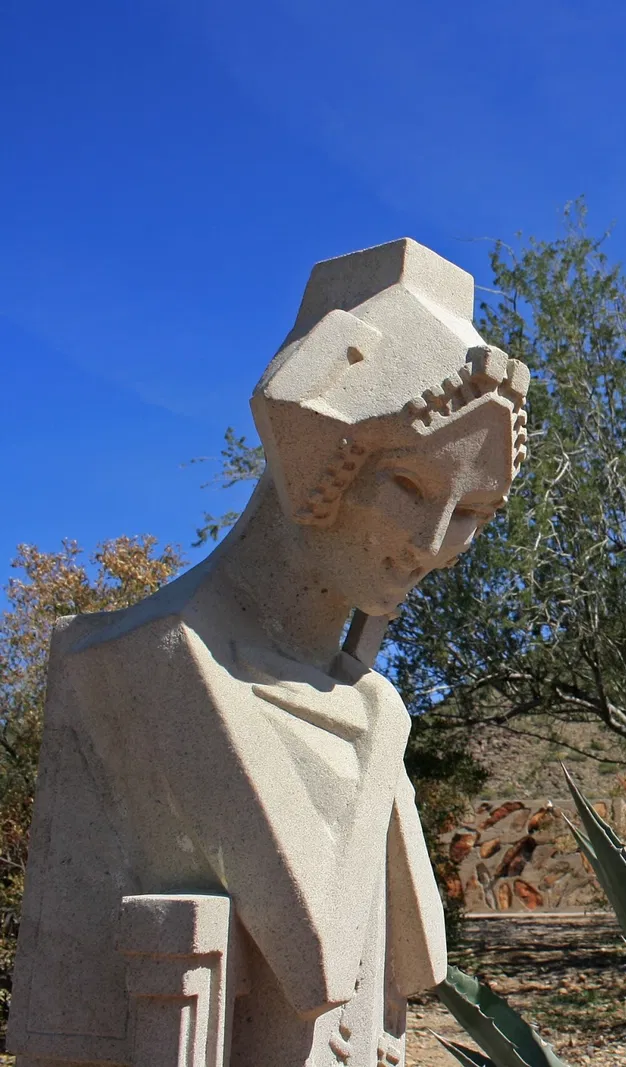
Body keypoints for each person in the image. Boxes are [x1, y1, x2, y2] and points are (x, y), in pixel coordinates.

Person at [10, 239, 529, 1066]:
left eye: (471, 510)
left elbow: (422, 957)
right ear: (315, 456)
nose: (431, 545)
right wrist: (377, 726)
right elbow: (314, 954)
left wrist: (371, 710)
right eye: (409, 487)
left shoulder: (362, 700)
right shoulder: (161, 657)